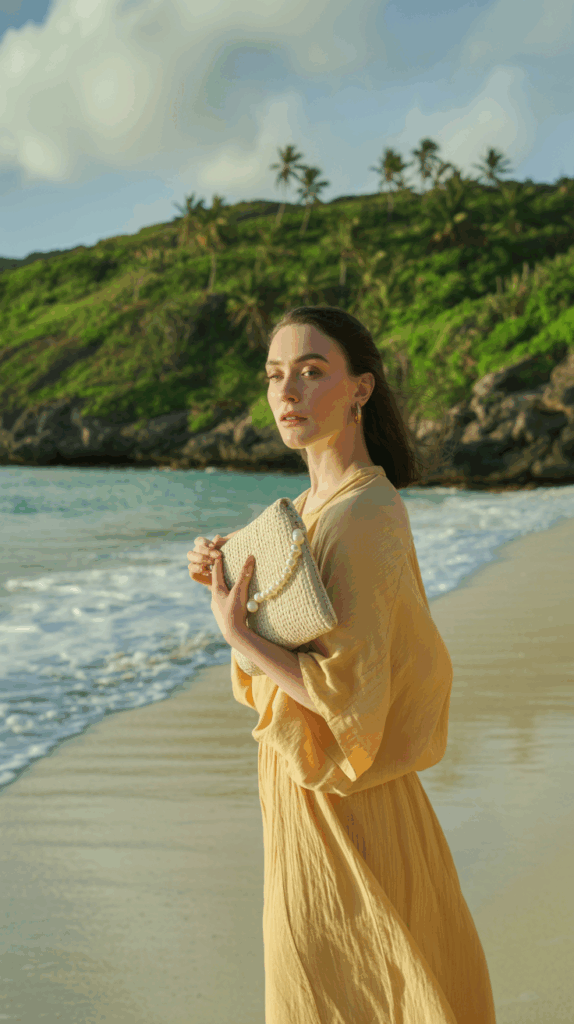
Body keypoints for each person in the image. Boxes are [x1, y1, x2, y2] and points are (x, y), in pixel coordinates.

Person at [187, 306, 496, 1024]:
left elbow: (353, 702)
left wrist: (242, 638)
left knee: (359, 992)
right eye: (274, 375)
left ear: (361, 388)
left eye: (310, 371)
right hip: (309, 794)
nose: (286, 391)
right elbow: (299, 648)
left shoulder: (362, 516)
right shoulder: (307, 508)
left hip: (343, 807)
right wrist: (224, 578)